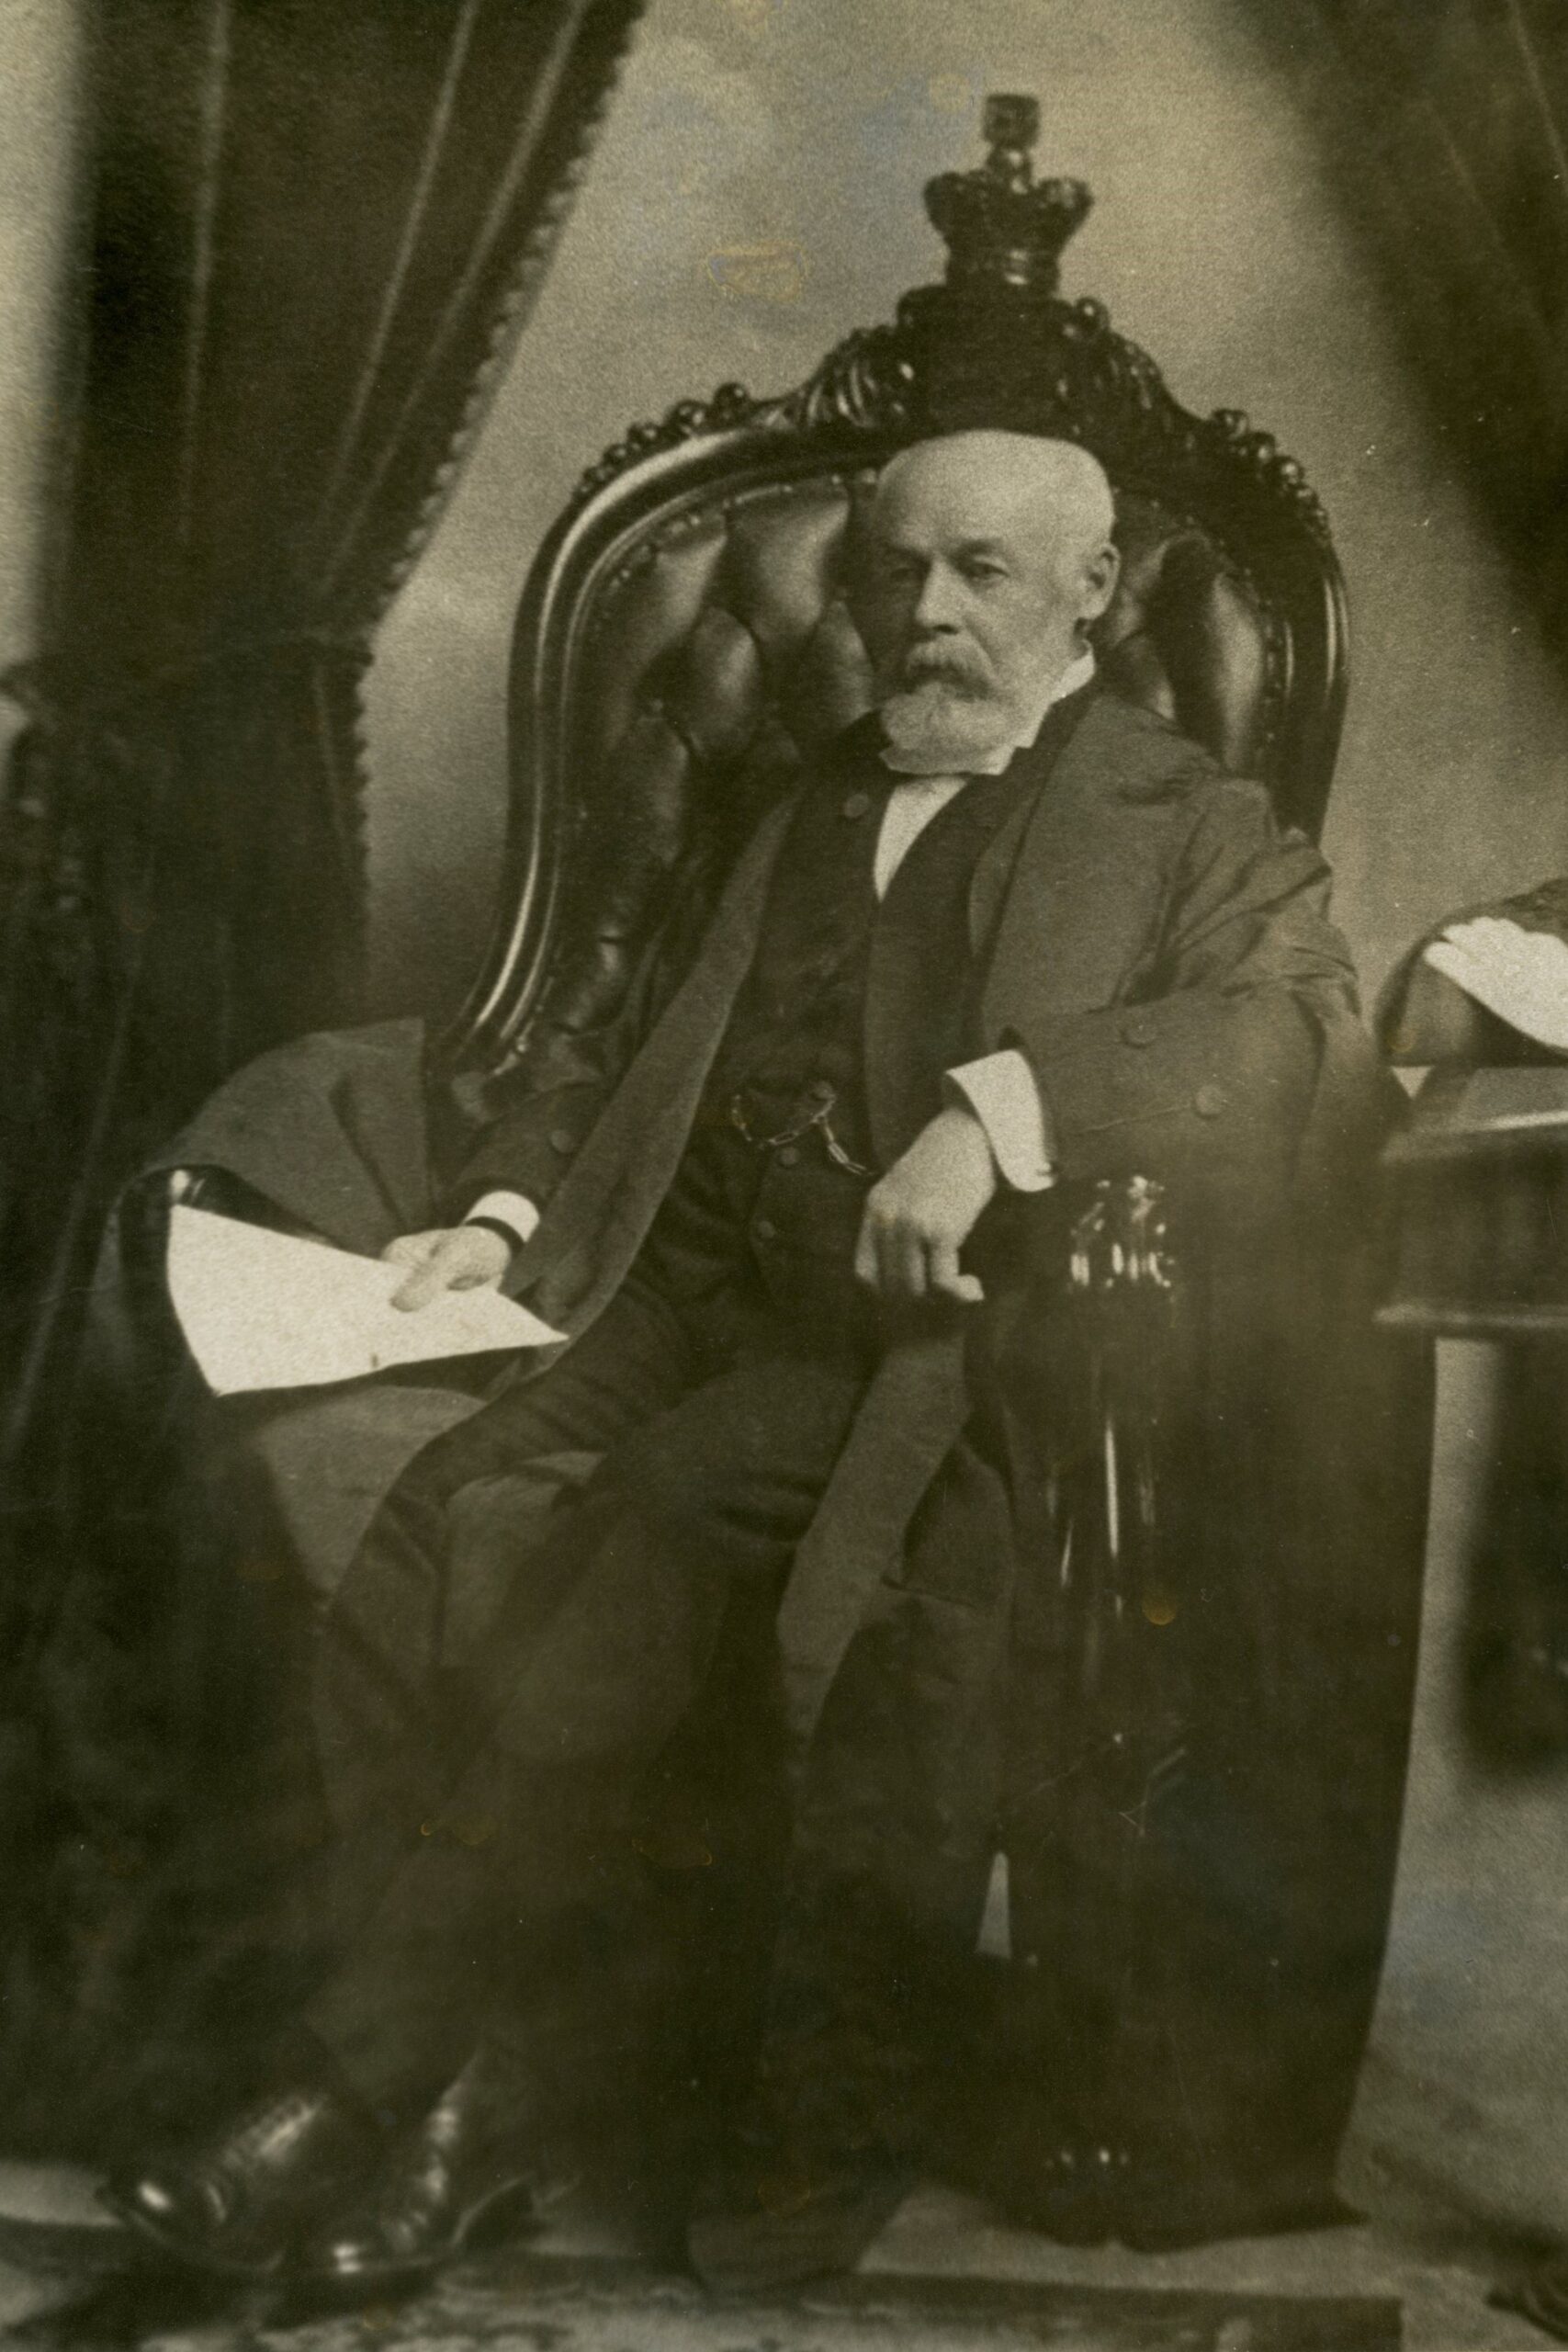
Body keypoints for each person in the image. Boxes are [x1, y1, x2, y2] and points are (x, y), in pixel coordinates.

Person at [96, 430, 1426, 2292]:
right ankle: (459, 2092)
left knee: (654, 1501)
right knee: (439, 1506)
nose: (924, 611)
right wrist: (491, 1212)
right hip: (668, 1281)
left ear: (1088, 595)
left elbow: (1300, 1039)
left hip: (919, 1343)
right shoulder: (791, 802)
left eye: (977, 570)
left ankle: (382, 2091)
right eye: (893, 572)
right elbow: (608, 1035)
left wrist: (1007, 1106)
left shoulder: (1184, 819)